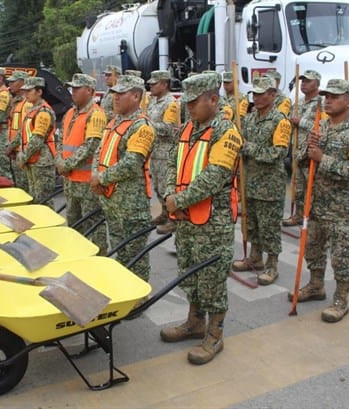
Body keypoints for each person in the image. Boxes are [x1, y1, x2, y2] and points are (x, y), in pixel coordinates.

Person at [159, 72, 242, 365]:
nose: (189, 108)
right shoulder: (188, 128)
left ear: (214, 99)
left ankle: (215, 335)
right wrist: (171, 195)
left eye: (194, 103)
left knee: (212, 280)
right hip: (185, 218)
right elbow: (172, 163)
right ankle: (194, 324)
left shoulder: (226, 132)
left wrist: (176, 201)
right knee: (191, 275)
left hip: (213, 223)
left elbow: (214, 177)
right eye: (188, 103)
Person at [289, 79, 349, 323]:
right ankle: (316, 286)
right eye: (326, 96)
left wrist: (322, 158)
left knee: (341, 257)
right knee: (313, 250)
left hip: (342, 209)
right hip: (316, 204)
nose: (328, 100)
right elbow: (299, 157)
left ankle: (341, 300)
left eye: (334, 97)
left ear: (348, 100)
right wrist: (307, 152)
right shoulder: (320, 126)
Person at [90, 75, 155, 281]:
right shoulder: (114, 122)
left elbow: (131, 163)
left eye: (121, 94)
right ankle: (124, 287)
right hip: (111, 198)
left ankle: (139, 294)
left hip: (130, 203)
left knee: (135, 253)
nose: (115, 98)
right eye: (114, 94)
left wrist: (101, 179)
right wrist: (95, 175)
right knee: (119, 246)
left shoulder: (141, 126)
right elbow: (99, 152)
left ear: (136, 96)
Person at [231, 76, 291, 286]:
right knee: (252, 224)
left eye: (261, 93)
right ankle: (255, 256)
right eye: (254, 94)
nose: (256, 98)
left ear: (273, 95)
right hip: (250, 181)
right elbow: (240, 144)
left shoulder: (280, 121)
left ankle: (272, 265)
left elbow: (278, 153)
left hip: (269, 185)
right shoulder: (248, 119)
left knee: (269, 228)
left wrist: (248, 148)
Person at [56, 73, 108, 253]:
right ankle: (77, 255)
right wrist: (59, 160)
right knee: (74, 222)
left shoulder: (96, 115)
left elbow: (91, 146)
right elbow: (60, 139)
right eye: (72, 88)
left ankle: (99, 258)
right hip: (70, 180)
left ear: (90, 91)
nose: (73, 92)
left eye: (77, 88)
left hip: (86, 181)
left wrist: (66, 164)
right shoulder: (70, 113)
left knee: (93, 225)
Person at [283, 69, 325, 226]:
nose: (304, 84)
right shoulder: (298, 101)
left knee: (312, 188)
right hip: (297, 151)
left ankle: (314, 219)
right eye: (303, 81)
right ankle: (299, 215)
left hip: (311, 153)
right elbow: (289, 120)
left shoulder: (321, 103)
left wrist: (301, 122)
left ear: (317, 83)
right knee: (298, 187)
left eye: (308, 81)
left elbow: (322, 126)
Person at [10, 76, 57, 207]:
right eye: (24, 91)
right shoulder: (32, 109)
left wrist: (22, 157)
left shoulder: (43, 112)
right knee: (35, 199)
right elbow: (23, 133)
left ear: (39, 92)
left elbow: (37, 140)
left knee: (43, 202)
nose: (25, 94)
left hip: (42, 162)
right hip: (33, 160)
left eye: (29, 91)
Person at [145, 70, 180, 234]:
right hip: (155, 151)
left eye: (155, 83)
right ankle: (165, 213)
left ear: (165, 85)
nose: (151, 85)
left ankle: (174, 219)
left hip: (166, 152)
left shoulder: (171, 103)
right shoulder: (153, 101)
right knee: (158, 187)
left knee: (167, 187)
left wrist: (146, 125)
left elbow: (168, 128)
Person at [5, 70, 32, 191]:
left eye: (13, 81)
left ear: (22, 83)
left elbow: (24, 130)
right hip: (16, 150)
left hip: (23, 152)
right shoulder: (16, 102)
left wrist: (11, 146)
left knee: (26, 187)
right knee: (20, 185)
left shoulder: (27, 104)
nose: (9, 84)